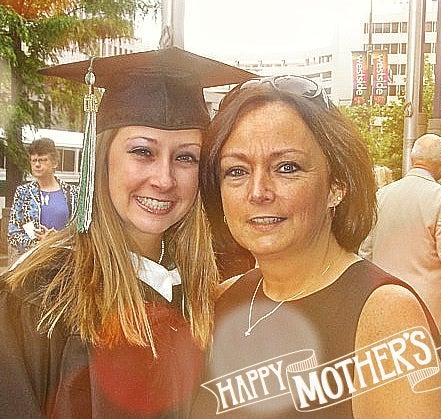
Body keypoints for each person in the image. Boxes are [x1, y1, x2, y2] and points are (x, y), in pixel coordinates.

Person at [0, 47, 253, 418]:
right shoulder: (40, 296)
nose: (164, 179)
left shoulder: (203, 289)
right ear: (102, 159)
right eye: (142, 152)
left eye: (185, 157)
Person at [192, 76, 441, 417]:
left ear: (336, 186)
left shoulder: (387, 317)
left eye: (286, 168)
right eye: (236, 171)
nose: (258, 192)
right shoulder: (222, 300)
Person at [359, 133, 441, 340]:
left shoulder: (381, 196)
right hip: (427, 312)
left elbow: (365, 252)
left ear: (412, 159)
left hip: (382, 302)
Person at [7, 137, 79, 259]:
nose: (37, 164)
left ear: (55, 163)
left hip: (64, 259)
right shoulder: (23, 193)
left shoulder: (72, 193)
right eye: (34, 160)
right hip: (33, 260)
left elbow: (80, 231)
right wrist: (38, 244)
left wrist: (57, 239)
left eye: (43, 160)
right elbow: (13, 233)